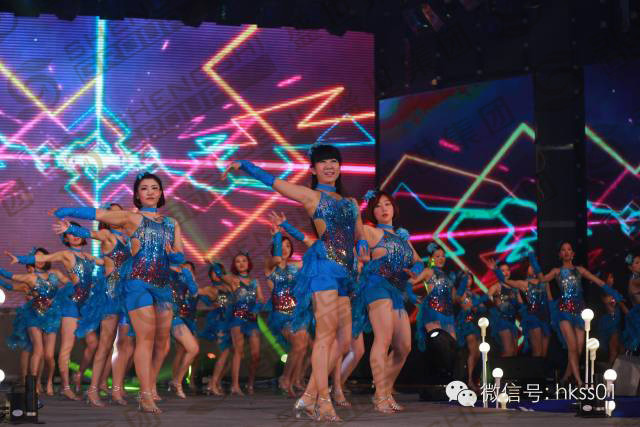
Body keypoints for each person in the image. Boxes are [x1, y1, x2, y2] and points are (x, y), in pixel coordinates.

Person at [223, 144, 366, 421]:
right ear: (313, 169)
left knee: (343, 341)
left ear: (340, 166)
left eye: (334, 161)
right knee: (325, 336)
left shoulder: (350, 202)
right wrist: (245, 166)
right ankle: (323, 402)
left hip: (346, 272)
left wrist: (361, 249)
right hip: (324, 268)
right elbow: (276, 183)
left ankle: (308, 397)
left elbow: (359, 234)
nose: (329, 166)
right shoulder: (312, 196)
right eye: (323, 162)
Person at [52, 171, 184, 413]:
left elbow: (179, 255)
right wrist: (66, 212)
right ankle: (144, 395)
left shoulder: (172, 223)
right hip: (135, 284)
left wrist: (173, 255)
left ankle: (128, 388)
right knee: (141, 339)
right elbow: (96, 215)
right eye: (144, 188)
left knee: (159, 342)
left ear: (161, 193)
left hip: (162, 285)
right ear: (137, 195)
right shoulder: (131, 218)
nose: (150, 192)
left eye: (154, 187)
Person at [358, 190, 422, 412]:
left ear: (394, 208)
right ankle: (380, 396)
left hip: (396, 291)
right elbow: (360, 244)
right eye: (378, 206)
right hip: (377, 286)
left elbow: (419, 261)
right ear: (372, 212)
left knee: (404, 346)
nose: (383, 209)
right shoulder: (370, 231)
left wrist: (415, 271)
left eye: (387, 204)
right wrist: (362, 254)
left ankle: (386, 390)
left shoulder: (403, 238)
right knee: (383, 339)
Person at [540, 241, 622, 386]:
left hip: (579, 311)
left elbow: (598, 281)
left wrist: (612, 291)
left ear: (573, 254)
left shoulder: (580, 270)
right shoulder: (556, 271)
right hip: (564, 311)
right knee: (572, 347)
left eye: (569, 249)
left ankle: (565, 379)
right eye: (563, 250)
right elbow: (542, 281)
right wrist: (536, 267)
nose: (566, 252)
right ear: (560, 254)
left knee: (578, 349)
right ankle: (579, 381)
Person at [2, 248, 70, 397]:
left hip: (51, 316)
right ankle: (33, 385)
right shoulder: (30, 278)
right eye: (36, 257)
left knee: (49, 356)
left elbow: (71, 285)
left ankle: (49, 381)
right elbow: (8, 278)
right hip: (34, 316)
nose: (39, 260)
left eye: (42, 257)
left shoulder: (55, 274)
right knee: (37, 350)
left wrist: (57, 298)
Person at [228, 252, 263, 395]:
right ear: (234, 265)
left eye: (244, 260)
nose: (241, 263)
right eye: (238, 261)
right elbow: (221, 276)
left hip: (252, 319)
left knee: (256, 355)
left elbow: (261, 299)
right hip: (237, 318)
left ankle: (250, 383)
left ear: (248, 263)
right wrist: (212, 263)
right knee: (238, 351)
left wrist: (256, 309)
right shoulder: (233, 280)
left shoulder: (255, 282)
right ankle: (235, 386)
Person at [489, 260, 523, 357]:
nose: (506, 272)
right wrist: (495, 302)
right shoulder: (496, 287)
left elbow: (520, 304)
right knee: (508, 351)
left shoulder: (514, 287)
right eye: (502, 270)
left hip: (512, 321)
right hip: (502, 321)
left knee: (514, 352)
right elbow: (487, 299)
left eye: (507, 270)